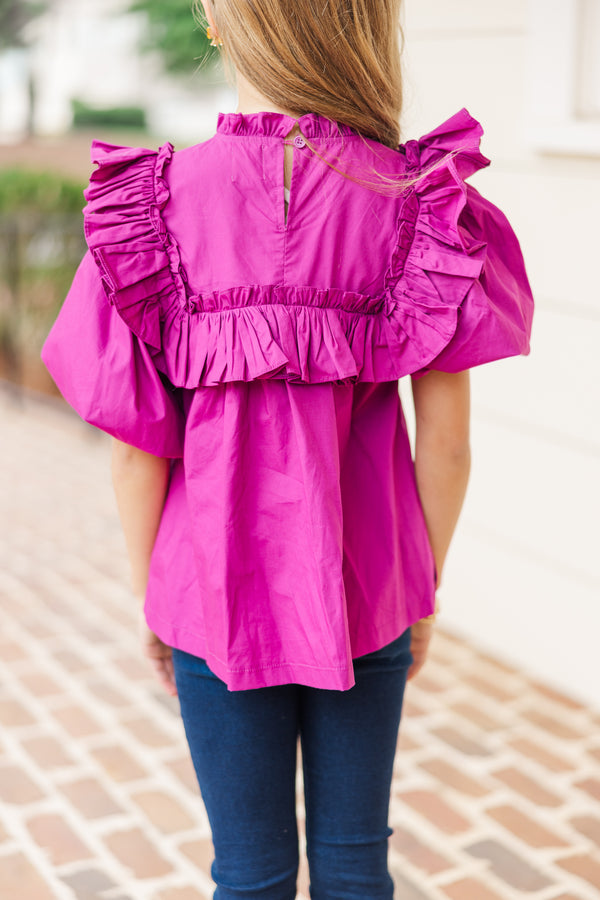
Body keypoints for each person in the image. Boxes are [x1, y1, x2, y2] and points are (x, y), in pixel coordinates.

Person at [41, 1, 534, 897]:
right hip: (369, 589)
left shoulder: (156, 206)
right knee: (355, 862)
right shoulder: (418, 202)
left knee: (249, 871)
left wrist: (154, 596)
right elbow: (450, 446)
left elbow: (134, 450)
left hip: (211, 593)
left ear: (220, 24)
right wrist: (419, 592)